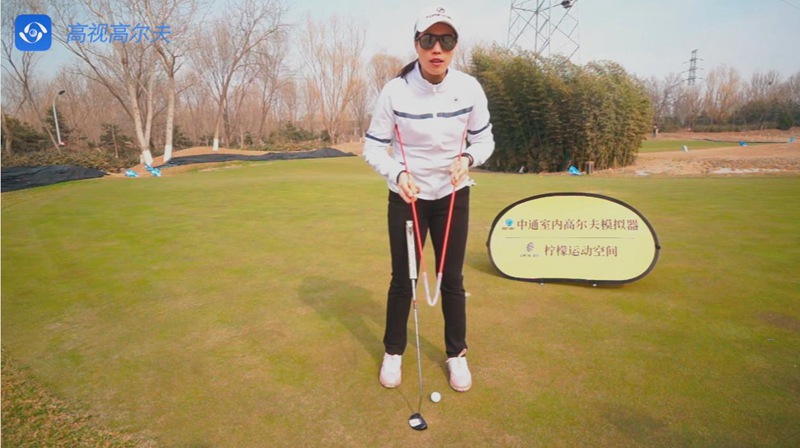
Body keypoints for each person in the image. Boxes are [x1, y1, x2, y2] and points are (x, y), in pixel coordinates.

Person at [362, 5, 494, 393]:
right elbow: (373, 147)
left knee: (451, 279)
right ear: (417, 44)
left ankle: (456, 355)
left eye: (446, 40)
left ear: (455, 46)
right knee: (403, 279)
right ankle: (393, 351)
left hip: (452, 195)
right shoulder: (395, 91)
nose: (438, 48)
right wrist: (397, 174)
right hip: (408, 196)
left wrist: (467, 159)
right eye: (429, 40)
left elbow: (484, 140)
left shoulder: (469, 88)